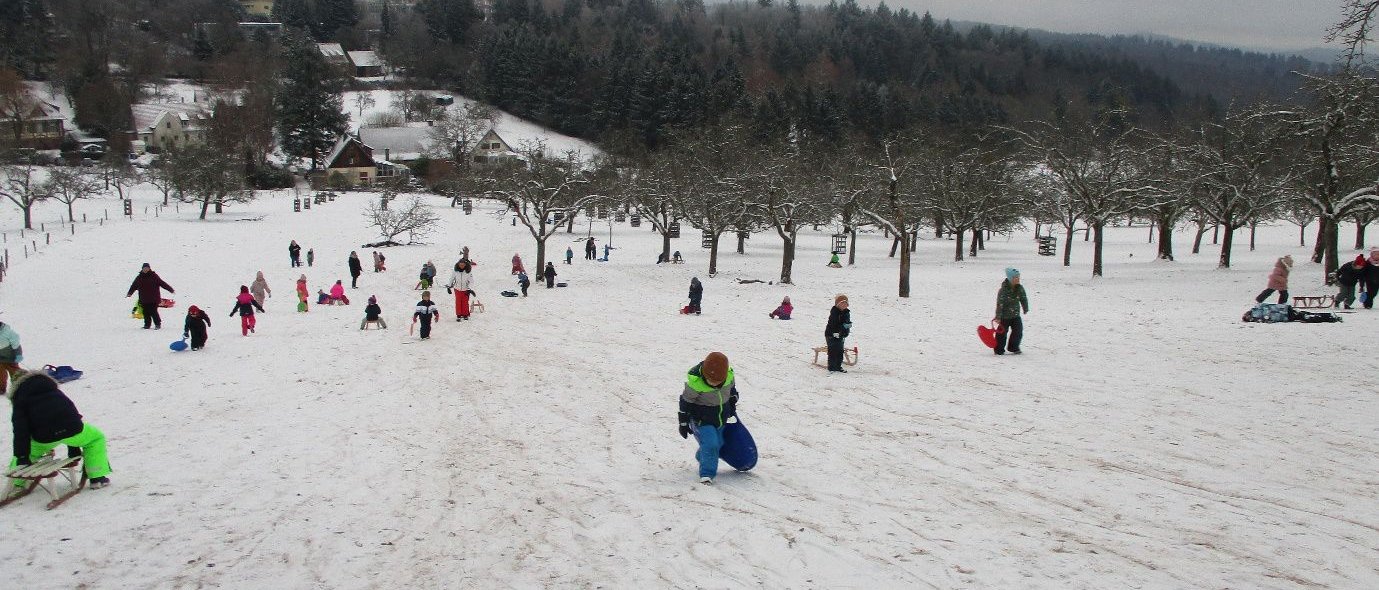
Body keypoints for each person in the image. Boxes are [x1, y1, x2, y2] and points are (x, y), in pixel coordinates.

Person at [7, 368, 113, 490]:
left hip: (44, 437)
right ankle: (97, 477)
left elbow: (20, 431)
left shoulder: (20, 399)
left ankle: (18, 483)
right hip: (73, 431)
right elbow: (70, 414)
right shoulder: (53, 390)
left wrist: (22, 457)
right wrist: (73, 446)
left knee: (29, 452)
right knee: (95, 438)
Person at [677, 351, 739, 485]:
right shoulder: (696, 384)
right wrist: (683, 422)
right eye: (710, 380)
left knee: (719, 443)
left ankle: (703, 456)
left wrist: (733, 401)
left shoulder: (728, 376)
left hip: (720, 418)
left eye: (718, 381)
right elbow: (685, 402)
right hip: (701, 420)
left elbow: (731, 389)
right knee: (711, 444)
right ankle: (707, 474)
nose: (714, 384)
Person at [126, 262, 175, 330]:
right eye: (144, 268)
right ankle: (147, 325)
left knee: (153, 311)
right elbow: (134, 286)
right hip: (144, 298)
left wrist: (170, 289)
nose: (146, 269)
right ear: (142, 269)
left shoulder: (154, 276)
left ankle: (158, 324)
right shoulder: (139, 277)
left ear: (149, 268)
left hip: (154, 298)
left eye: (147, 268)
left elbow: (162, 283)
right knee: (145, 312)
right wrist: (130, 293)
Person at [993, 268, 1029, 356]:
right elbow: (999, 304)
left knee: (1018, 331)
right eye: (1015, 277)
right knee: (1001, 333)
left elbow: (1023, 298)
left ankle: (1013, 347)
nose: (1018, 279)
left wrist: (1025, 307)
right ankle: (998, 349)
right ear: (1010, 278)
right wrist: (998, 317)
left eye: (1018, 277)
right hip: (1005, 316)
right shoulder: (1003, 291)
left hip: (1016, 315)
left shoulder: (1019, 288)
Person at [825, 294, 851, 372]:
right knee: (833, 351)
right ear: (837, 304)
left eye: (845, 303)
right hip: (831, 335)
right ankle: (831, 367)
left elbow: (846, 322)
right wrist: (841, 328)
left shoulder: (847, 312)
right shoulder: (834, 313)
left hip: (841, 335)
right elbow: (833, 324)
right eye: (842, 303)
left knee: (840, 351)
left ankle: (838, 366)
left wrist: (847, 327)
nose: (844, 305)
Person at [0, 320, 23, 392]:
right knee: (1, 374)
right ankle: (1, 388)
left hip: (11, 357)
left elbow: (16, 344)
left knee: (15, 372)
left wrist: (18, 355)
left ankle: (19, 387)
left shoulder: (7, 332)